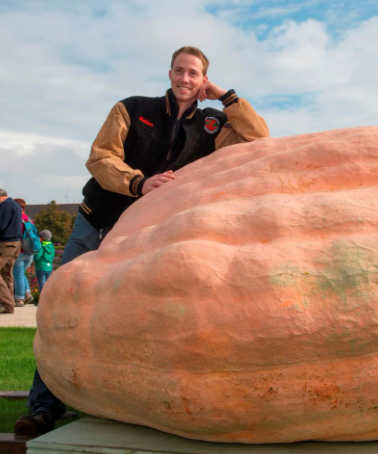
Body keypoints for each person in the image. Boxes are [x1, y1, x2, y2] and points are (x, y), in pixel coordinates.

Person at [15, 45, 269, 435]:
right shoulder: (132, 108)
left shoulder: (212, 126)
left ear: (203, 80)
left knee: (133, 316)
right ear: (169, 74)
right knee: (64, 309)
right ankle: (44, 407)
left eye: (194, 74)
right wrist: (139, 182)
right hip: (97, 222)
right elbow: (101, 158)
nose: (185, 79)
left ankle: (115, 399)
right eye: (179, 71)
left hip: (145, 237)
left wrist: (227, 97)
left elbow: (259, 141)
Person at [0, 189, 22, 314]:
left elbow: (1, 225)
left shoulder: (5, 206)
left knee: (5, 273)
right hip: (15, 242)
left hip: (6, 243)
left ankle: (7, 303)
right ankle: (8, 305)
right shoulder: (15, 205)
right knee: (6, 273)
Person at [12, 198, 35, 306]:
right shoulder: (29, 219)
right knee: (20, 274)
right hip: (30, 251)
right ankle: (27, 293)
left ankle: (19, 298)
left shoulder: (16, 218)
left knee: (17, 275)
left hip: (20, 251)